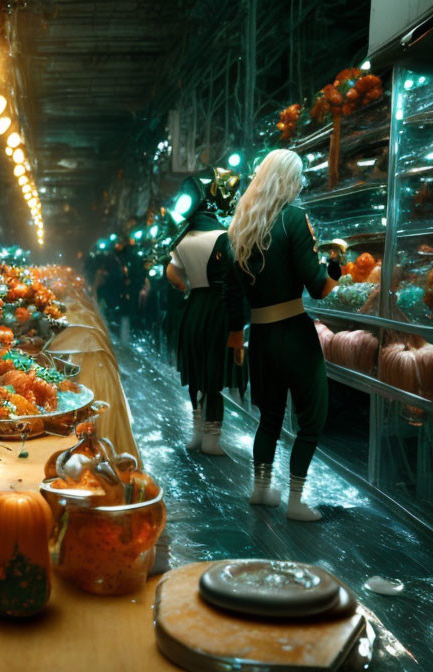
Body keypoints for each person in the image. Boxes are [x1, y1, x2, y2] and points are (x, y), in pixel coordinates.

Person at [227, 149, 340, 522]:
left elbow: (237, 293)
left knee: (270, 417)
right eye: (299, 178)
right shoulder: (294, 219)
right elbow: (319, 286)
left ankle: (260, 490)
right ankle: (295, 501)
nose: (300, 185)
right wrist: (337, 264)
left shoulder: (241, 226)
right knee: (312, 417)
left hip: (259, 335)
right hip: (293, 331)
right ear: (287, 180)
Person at [166, 167, 243, 455]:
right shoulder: (225, 238)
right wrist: (237, 326)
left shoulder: (182, 241)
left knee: (195, 369)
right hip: (217, 311)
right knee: (214, 375)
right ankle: (212, 439)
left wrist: (187, 288)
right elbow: (233, 285)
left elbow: (170, 273)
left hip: (194, 308)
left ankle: (197, 433)